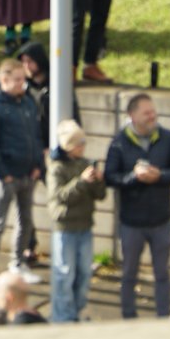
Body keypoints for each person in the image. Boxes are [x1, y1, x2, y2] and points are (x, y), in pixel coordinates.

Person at [105, 92, 170, 320]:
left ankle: (163, 317)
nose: (153, 116)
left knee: (162, 274)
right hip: (131, 223)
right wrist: (134, 177)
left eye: (153, 111)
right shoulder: (119, 143)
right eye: (147, 112)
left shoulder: (168, 138)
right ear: (132, 115)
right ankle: (128, 317)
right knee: (129, 274)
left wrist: (159, 175)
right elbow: (110, 177)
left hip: (161, 221)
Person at [0, 58, 43, 292]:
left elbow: (35, 135)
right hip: (5, 178)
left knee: (25, 221)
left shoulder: (27, 102)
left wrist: (38, 164)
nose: (22, 85)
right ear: (3, 80)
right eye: (17, 80)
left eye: (23, 79)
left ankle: (18, 264)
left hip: (27, 174)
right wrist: (3, 173)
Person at [47, 120, 105, 323]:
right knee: (64, 274)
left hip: (85, 225)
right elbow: (60, 195)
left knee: (83, 274)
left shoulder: (86, 163)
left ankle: (77, 310)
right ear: (69, 146)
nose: (82, 147)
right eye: (79, 144)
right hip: (65, 227)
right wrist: (81, 182)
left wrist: (98, 179)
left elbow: (100, 195)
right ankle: (63, 316)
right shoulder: (57, 168)